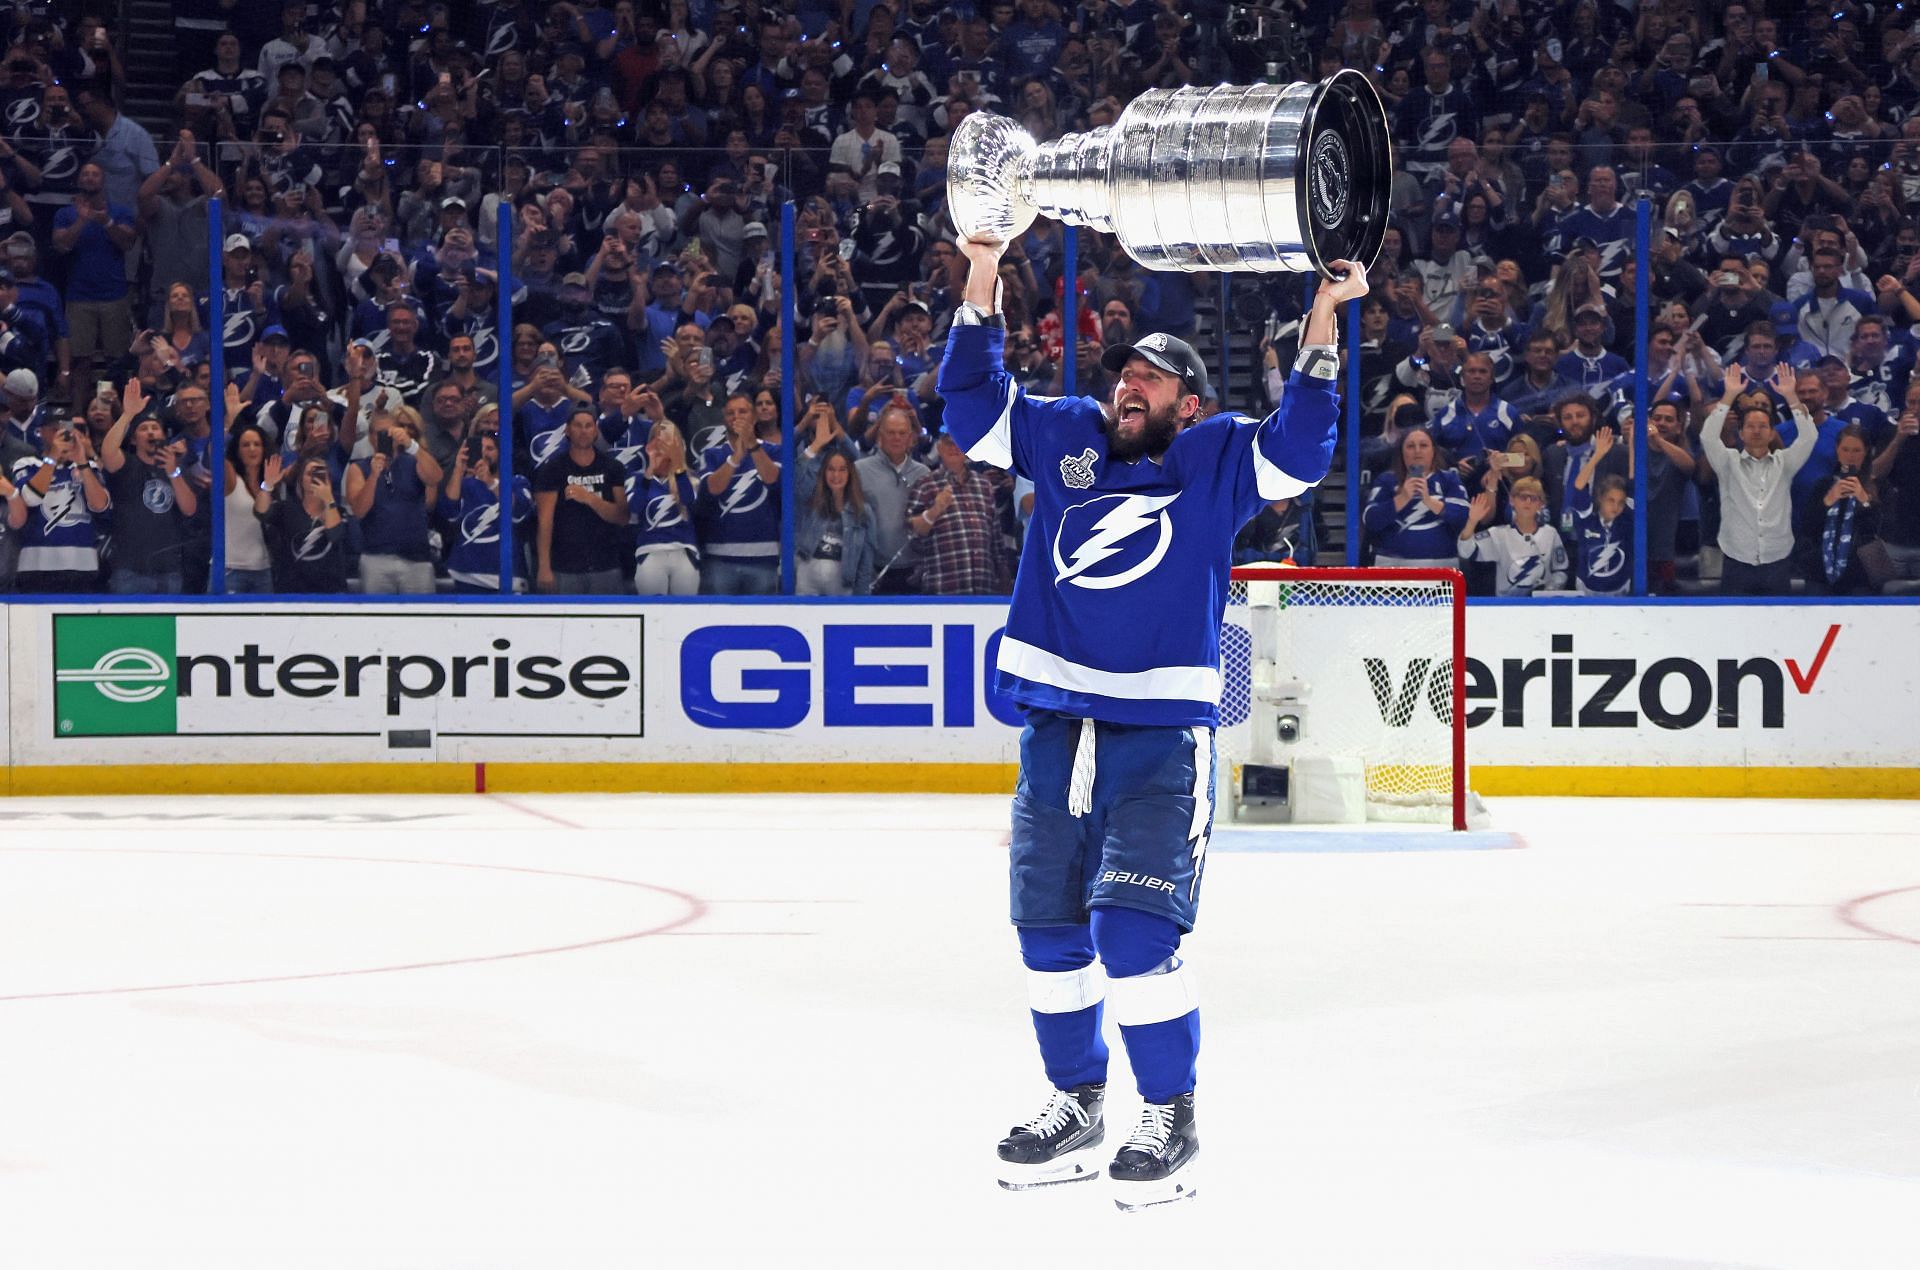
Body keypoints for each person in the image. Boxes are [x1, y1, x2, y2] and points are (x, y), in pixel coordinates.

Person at [937, 224, 1360, 1207]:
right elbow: (969, 408)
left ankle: (1171, 1112)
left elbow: (1301, 450)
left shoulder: (1214, 460)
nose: (1131, 386)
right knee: (1048, 935)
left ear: (1191, 403)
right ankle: (1076, 1100)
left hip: (1158, 743)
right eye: (1124, 374)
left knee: (1133, 935)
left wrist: (1326, 318)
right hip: (1055, 731)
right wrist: (987, 269)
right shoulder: (1068, 433)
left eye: (1155, 379)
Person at [1700, 365, 1817, 595]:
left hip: (1778, 562)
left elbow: (1809, 436)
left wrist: (1791, 396)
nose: (1756, 431)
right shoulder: (1727, 463)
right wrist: (1729, 396)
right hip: (1736, 563)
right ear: (1741, 433)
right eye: (1750, 426)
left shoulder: (1785, 464)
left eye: (1763, 426)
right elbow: (1708, 436)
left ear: (1773, 432)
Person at [99, 379, 197, 593]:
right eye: (144, 429)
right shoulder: (127, 464)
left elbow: (189, 509)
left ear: (164, 436)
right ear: (133, 440)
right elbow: (107, 452)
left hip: (169, 570)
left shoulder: (177, 470)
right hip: (129, 569)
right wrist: (128, 415)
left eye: (155, 428)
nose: (151, 432)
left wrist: (173, 471)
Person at [533, 407, 629, 594]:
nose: (583, 431)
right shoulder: (552, 469)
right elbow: (545, 521)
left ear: (595, 431)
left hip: (606, 563)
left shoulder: (613, 467)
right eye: (578, 426)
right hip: (565, 565)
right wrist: (544, 567)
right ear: (567, 431)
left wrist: (589, 498)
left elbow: (622, 516)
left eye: (588, 426)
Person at [343, 412, 441, 594]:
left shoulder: (413, 461)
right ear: (371, 437)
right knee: (376, 619)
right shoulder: (359, 467)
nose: (385, 438)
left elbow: (435, 477)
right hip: (375, 557)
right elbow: (359, 511)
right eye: (380, 433)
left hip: (416, 558)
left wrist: (411, 445)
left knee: (421, 618)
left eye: (390, 433)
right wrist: (373, 475)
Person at [794, 402, 877, 596]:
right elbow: (795, 476)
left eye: (842, 470)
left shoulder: (863, 511)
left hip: (842, 580)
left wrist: (862, 598)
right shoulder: (811, 500)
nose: (836, 475)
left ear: (850, 474)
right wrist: (817, 444)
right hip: (808, 576)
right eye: (830, 469)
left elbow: (866, 560)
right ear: (823, 473)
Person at [1361, 427, 1470, 567]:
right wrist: (1402, 498)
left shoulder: (1449, 479)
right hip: (1391, 567)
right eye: (1411, 446)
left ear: (1433, 451)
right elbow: (1371, 521)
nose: (1417, 451)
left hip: (1442, 566)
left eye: (1423, 445)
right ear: (1402, 452)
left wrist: (1429, 501)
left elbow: (1464, 518)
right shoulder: (1386, 480)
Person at [440, 431, 532, 594]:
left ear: (501, 454)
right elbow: (449, 512)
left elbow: (519, 511)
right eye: (480, 448)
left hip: (508, 579)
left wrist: (490, 482)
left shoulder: (517, 482)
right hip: (464, 575)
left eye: (489, 448)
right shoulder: (465, 484)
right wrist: (458, 469)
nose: (483, 453)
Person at [855, 402, 931, 592]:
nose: (896, 438)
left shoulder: (924, 473)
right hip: (873, 571)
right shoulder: (860, 470)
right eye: (890, 432)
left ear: (910, 438)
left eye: (902, 433)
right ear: (880, 436)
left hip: (915, 572)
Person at [1796, 425, 1880, 593]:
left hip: (1860, 575)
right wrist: (1828, 500)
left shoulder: (1878, 486)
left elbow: (1878, 531)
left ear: (1866, 453)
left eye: (1856, 450)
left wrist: (1864, 500)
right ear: (1837, 451)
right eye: (1845, 449)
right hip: (1819, 572)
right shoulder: (1823, 485)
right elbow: (1807, 528)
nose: (1850, 456)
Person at [1457, 477, 1568, 595]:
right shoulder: (1499, 535)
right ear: (1511, 500)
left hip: (1540, 605)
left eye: (1534, 498)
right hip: (1507, 605)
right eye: (1523, 497)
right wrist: (1472, 521)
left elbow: (1560, 569)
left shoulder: (1550, 533)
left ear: (1541, 504)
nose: (1528, 502)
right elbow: (1466, 551)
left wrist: (1550, 590)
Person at [257, 454, 349, 593]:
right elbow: (261, 512)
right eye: (310, 473)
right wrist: (267, 486)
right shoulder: (286, 509)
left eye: (321, 473)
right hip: (292, 590)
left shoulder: (338, 511)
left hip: (330, 592)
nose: (315, 477)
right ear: (301, 480)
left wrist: (328, 499)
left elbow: (334, 534)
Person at [629, 419, 701, 596]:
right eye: (659, 440)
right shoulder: (638, 479)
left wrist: (677, 466)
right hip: (651, 551)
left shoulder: (690, 478)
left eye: (669, 441)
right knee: (652, 607)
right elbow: (635, 508)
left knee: (685, 609)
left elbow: (688, 501)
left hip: (683, 551)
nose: (664, 446)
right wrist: (650, 469)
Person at [1566, 425, 1635, 595]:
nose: (1616, 506)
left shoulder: (1626, 519)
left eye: (1620, 502)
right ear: (1600, 498)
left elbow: (1634, 480)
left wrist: (1633, 445)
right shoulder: (1587, 517)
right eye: (1611, 500)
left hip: (1620, 590)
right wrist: (1598, 454)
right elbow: (1579, 485)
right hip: (1587, 589)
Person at [222, 421, 274, 593]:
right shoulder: (231, 478)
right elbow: (214, 451)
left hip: (264, 570)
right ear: (237, 450)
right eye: (245, 445)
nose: (252, 449)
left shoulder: (273, 480)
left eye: (256, 444)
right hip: (231, 569)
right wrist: (229, 420)